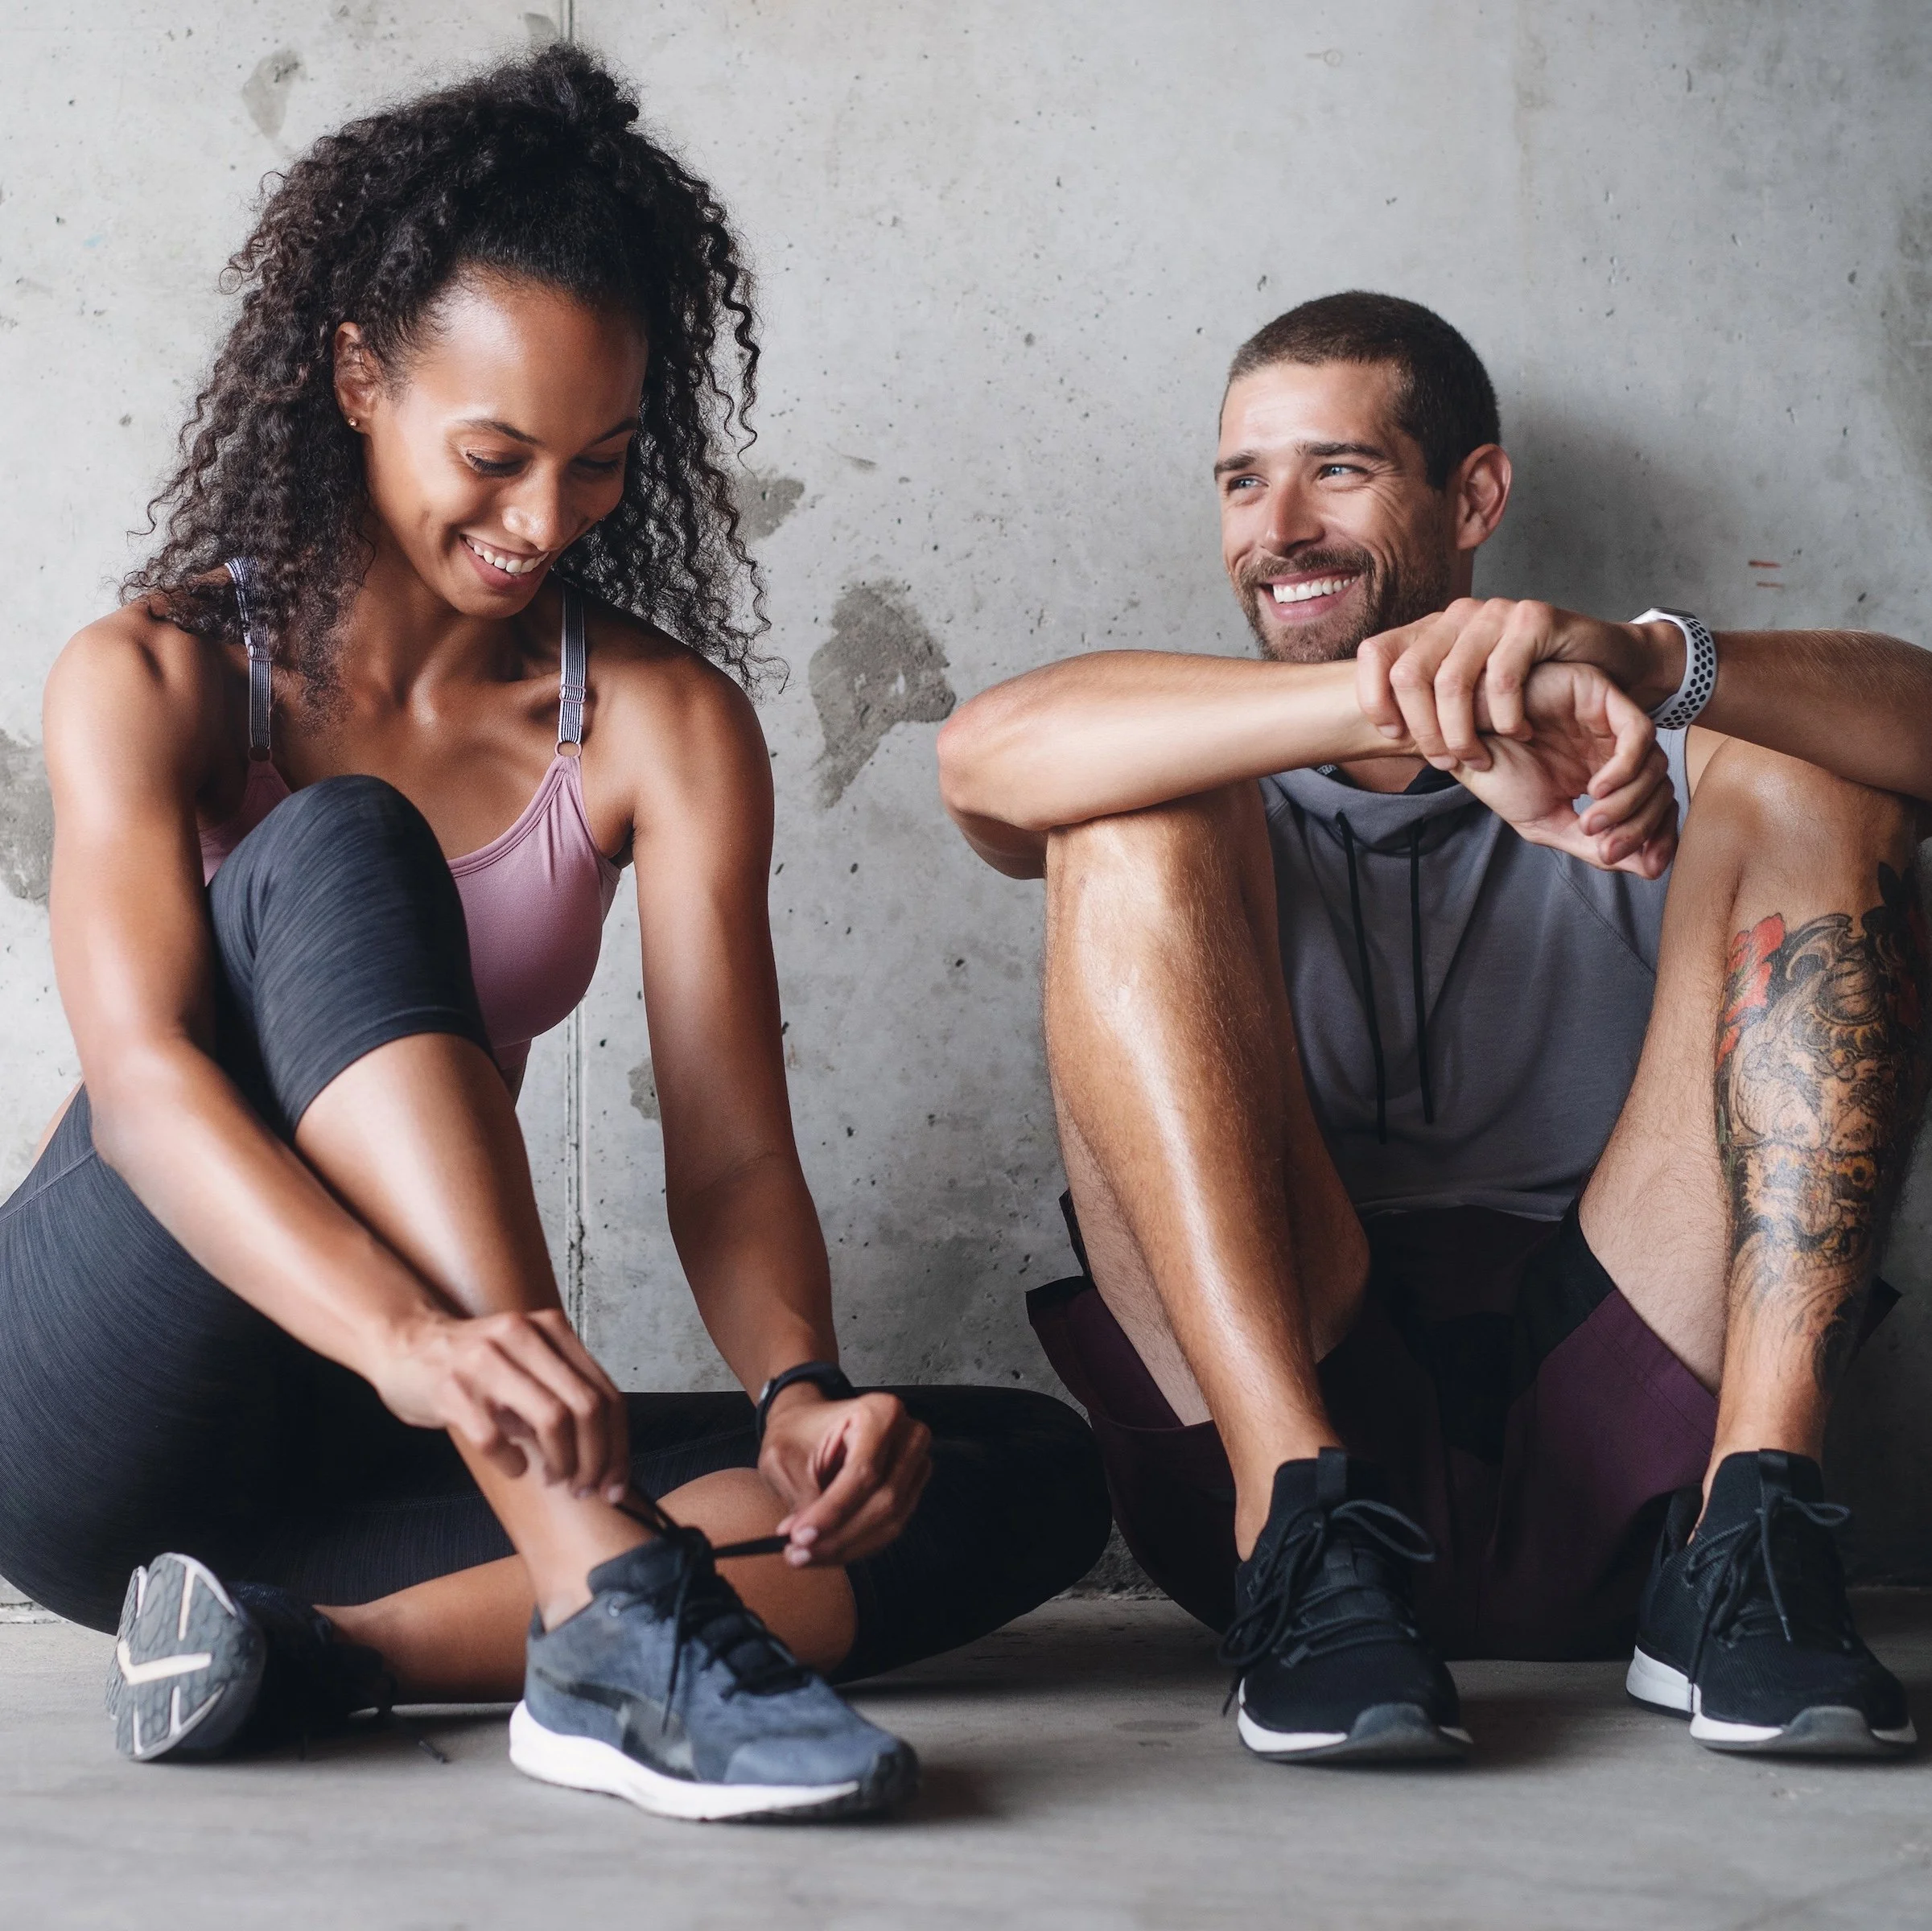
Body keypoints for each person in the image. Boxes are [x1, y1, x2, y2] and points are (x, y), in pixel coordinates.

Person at [0, 47, 1107, 1823]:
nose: (540, 525)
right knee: (349, 843)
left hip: (386, 1458)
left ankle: (324, 1649)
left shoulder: (659, 727)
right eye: (496, 456)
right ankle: (608, 1612)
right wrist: (409, 1342)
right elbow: (142, 1089)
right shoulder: (157, 676)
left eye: (599, 467)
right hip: (108, 1390)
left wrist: (802, 1386)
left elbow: (733, 1154)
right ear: (359, 375)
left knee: (1011, 1468)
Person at [937, 290, 1932, 1766]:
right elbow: (984, 758)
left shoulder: (1627, 734)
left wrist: (1644, 666)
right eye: (1240, 480)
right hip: (1286, 1421)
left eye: (1335, 469)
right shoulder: (1198, 748)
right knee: (1126, 819)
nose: (1277, 524)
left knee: (1818, 778)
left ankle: (1755, 1527)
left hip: (1626, 1427)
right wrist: (1400, 707)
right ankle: (1301, 1524)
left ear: (1474, 495)